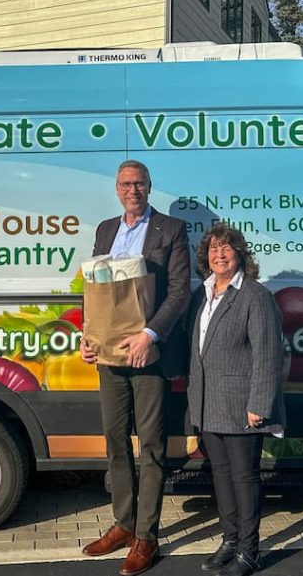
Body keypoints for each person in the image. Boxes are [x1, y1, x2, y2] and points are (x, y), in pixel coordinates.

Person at [80, 160, 191, 576]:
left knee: (151, 445)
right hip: (109, 356)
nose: (133, 190)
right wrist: (88, 336)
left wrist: (150, 336)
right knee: (113, 439)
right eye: (126, 184)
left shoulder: (171, 229)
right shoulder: (106, 229)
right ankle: (123, 524)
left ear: (149, 186)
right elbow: (96, 289)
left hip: (148, 354)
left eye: (140, 183)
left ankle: (147, 536)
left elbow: (180, 291)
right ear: (117, 188)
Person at [186, 223, 286, 576]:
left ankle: (249, 551)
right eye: (214, 249)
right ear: (206, 256)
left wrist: (260, 402)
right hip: (208, 402)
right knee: (221, 477)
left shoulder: (255, 295)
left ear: (240, 254)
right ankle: (229, 541)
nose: (220, 254)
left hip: (242, 402)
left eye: (227, 248)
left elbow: (267, 354)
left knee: (244, 478)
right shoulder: (204, 294)